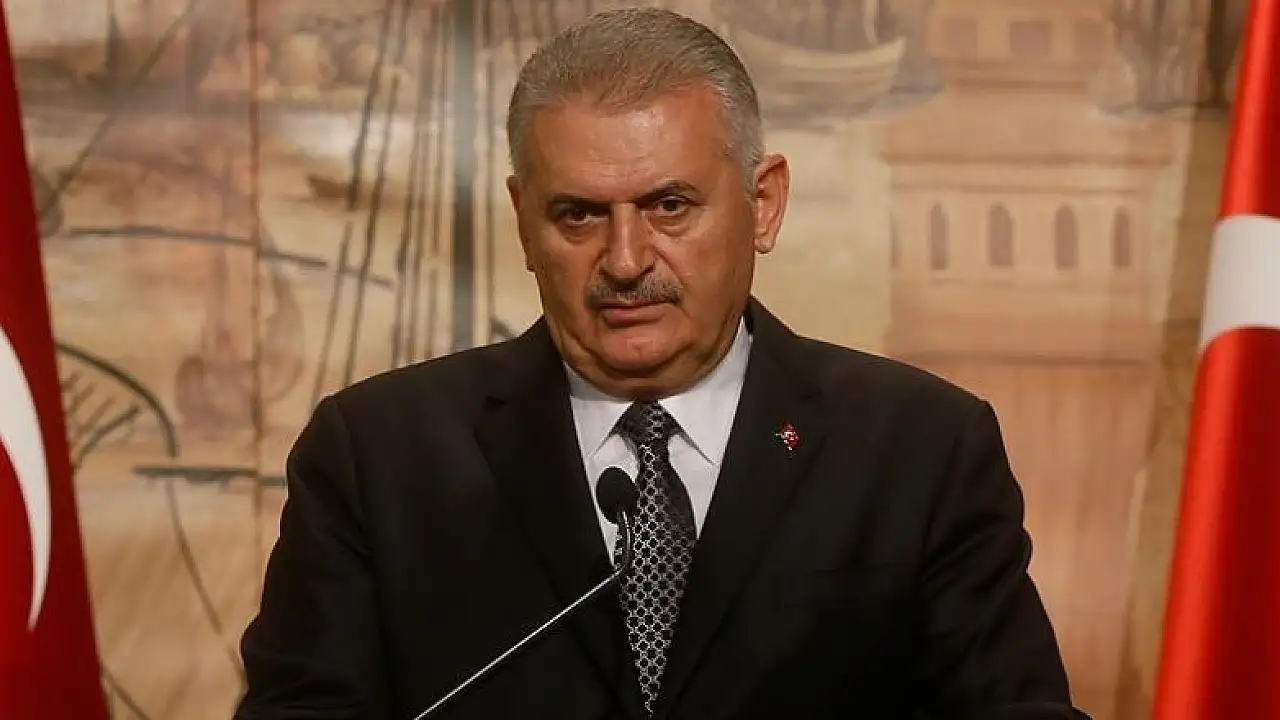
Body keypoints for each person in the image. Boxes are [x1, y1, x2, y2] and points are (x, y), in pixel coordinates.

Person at [236, 7, 1086, 719]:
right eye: (578, 215)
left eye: (669, 205)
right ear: (524, 220)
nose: (625, 259)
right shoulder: (379, 457)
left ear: (763, 203)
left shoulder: (920, 449)